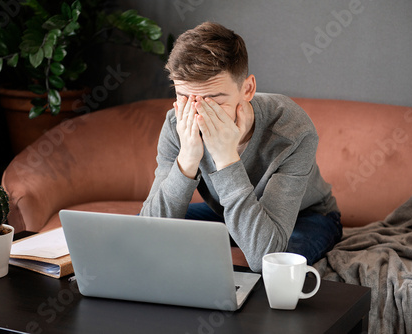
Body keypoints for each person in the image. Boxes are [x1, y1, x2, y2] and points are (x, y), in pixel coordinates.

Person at [140, 22, 342, 272]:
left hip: (307, 215)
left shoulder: (290, 128)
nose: (198, 113)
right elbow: (148, 234)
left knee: (275, 267)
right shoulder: (177, 122)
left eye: (213, 100)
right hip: (229, 211)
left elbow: (264, 256)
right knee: (138, 241)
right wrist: (188, 158)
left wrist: (226, 158)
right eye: (184, 97)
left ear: (247, 89)